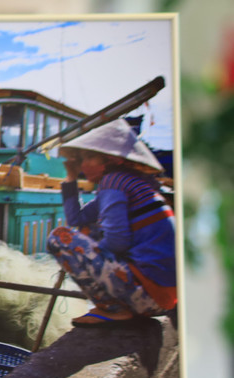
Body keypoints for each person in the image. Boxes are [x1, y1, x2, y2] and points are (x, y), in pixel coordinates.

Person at [46, 119, 177, 327]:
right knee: (87, 229)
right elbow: (77, 219)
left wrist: (89, 261)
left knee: (59, 237)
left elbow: (117, 241)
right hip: (163, 300)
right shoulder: (131, 182)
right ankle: (116, 304)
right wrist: (71, 178)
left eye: (90, 158)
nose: (83, 165)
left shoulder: (114, 182)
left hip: (148, 296)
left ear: (111, 161)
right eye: (81, 159)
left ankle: (113, 308)